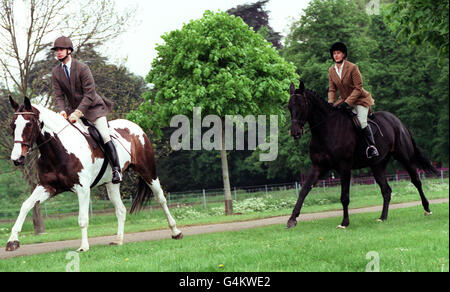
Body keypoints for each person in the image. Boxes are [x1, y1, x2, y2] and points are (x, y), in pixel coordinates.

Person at [51, 36, 123, 183]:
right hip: (73, 112)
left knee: (104, 134)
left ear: (69, 51)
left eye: (61, 50)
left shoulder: (82, 68)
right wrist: (62, 110)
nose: (58, 52)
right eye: (56, 50)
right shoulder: (56, 72)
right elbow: (58, 96)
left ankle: (116, 169)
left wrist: (78, 112)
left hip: (93, 109)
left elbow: (89, 94)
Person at [327, 41, 379, 159]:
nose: (336, 55)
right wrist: (330, 102)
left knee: (361, 122)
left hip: (360, 99)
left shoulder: (352, 67)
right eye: (334, 53)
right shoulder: (331, 70)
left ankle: (372, 147)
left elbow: (358, 87)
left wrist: (347, 103)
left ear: (344, 54)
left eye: (338, 53)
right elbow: (332, 89)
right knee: (333, 118)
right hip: (344, 100)